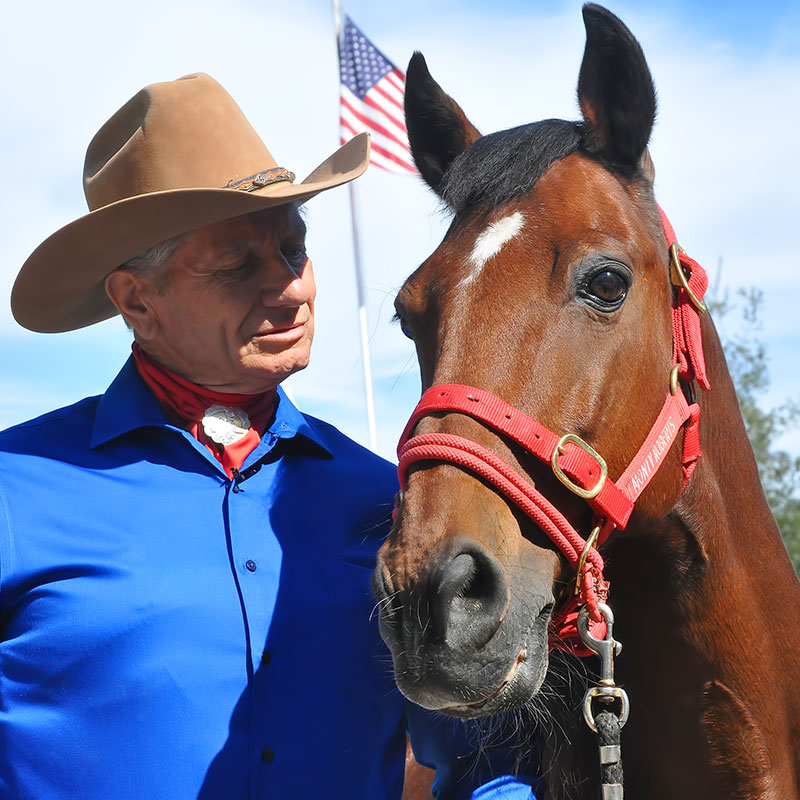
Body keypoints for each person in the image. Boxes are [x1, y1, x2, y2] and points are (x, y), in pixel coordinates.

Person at [0, 73, 542, 798]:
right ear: (136, 300)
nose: (291, 287)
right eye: (237, 264)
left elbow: (484, 753)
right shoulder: (16, 490)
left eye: (293, 250)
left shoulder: (387, 502)